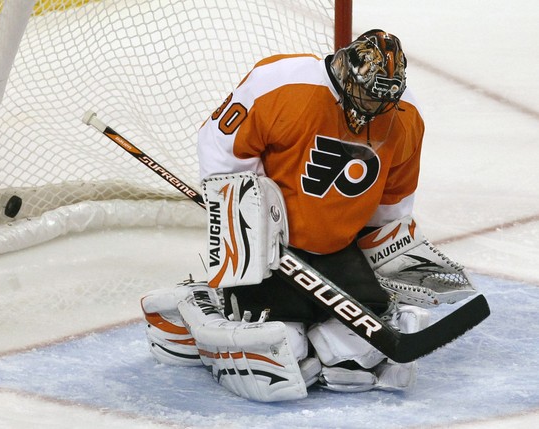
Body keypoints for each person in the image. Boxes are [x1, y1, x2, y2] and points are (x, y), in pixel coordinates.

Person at [141, 29, 476, 402]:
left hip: (338, 247)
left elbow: (392, 202)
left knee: (354, 356)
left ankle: (309, 341)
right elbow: (221, 146)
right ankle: (200, 307)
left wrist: (389, 257)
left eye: (383, 99)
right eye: (367, 94)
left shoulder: (406, 116)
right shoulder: (281, 81)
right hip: (269, 248)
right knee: (283, 349)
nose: (373, 107)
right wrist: (250, 220)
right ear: (346, 75)